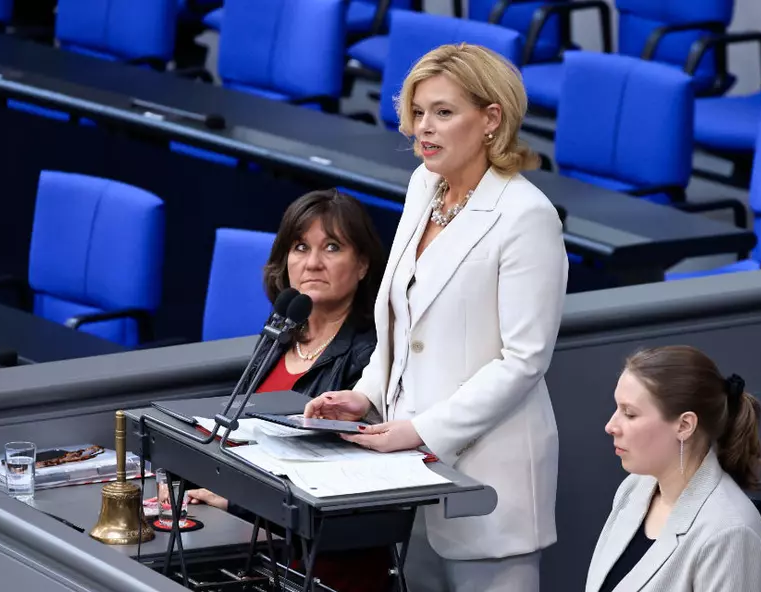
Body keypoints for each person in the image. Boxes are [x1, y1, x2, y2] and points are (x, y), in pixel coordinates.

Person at [304, 43, 568, 591]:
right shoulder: (424, 186)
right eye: (419, 113)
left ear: (491, 118)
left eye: (443, 113)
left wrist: (421, 431)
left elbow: (523, 362)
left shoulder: (527, 217)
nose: (424, 128)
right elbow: (401, 319)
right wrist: (368, 393)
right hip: (410, 476)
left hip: (488, 484)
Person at [161, 188, 391, 591]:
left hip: (320, 565)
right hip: (254, 543)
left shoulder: (371, 355)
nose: (313, 263)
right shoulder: (281, 331)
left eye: (332, 247)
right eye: (300, 247)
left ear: (362, 265)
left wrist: (235, 502)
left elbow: (343, 485)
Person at [586, 346, 761, 592]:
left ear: (685, 425)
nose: (611, 426)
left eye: (629, 414)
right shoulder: (635, 488)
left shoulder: (731, 535)